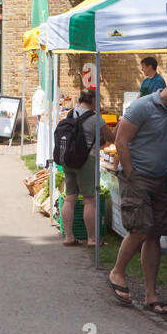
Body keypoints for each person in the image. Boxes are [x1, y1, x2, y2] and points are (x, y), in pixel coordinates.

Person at [107, 83, 167, 314]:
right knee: (140, 229)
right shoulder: (143, 106)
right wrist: (130, 173)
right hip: (138, 176)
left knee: (154, 234)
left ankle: (151, 294)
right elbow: (120, 139)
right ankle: (117, 271)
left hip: (161, 179)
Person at [62, 89, 114, 248]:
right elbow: (111, 138)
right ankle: (92, 239)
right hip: (86, 160)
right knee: (89, 200)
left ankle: (69, 236)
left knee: (70, 198)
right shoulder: (95, 118)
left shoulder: (70, 114)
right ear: (92, 100)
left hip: (68, 158)